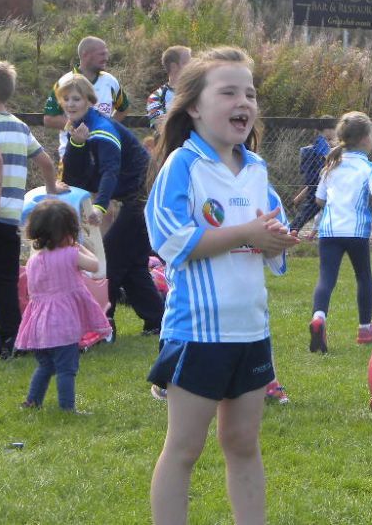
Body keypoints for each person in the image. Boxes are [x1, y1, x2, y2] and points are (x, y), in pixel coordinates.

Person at [144, 46, 299, 525]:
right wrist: (246, 234)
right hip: (197, 333)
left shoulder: (257, 170)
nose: (244, 102)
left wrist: (277, 241)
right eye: (229, 92)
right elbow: (170, 239)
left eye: (249, 93)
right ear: (193, 106)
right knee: (184, 448)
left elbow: (273, 235)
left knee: (243, 444)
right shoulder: (183, 165)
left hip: (251, 330)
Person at [0, 61, 64, 360]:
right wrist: (52, 190)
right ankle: (10, 338)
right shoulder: (20, 127)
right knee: (5, 280)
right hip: (9, 220)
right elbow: (45, 161)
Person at [55, 73, 163, 339]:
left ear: (89, 101)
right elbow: (75, 177)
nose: (70, 104)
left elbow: (110, 171)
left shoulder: (103, 129)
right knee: (134, 264)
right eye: (66, 99)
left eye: (76, 99)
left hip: (144, 196)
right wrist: (76, 145)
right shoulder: (78, 130)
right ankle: (157, 321)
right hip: (132, 198)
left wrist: (100, 207)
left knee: (112, 256)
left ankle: (103, 322)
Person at [307, 111, 372, 353]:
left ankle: (319, 317)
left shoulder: (331, 165)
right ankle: (365, 328)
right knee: (363, 277)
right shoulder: (368, 167)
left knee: (326, 278)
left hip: (329, 232)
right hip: (356, 233)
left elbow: (319, 200)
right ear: (365, 139)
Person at [16, 198, 112, 411]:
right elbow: (95, 266)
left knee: (46, 366)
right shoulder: (71, 254)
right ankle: (67, 408)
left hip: (39, 327)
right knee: (66, 369)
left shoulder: (33, 261)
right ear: (69, 230)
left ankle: (32, 402)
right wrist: (81, 247)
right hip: (63, 326)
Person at [43, 35, 130, 157]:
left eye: (106, 54)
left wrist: (107, 127)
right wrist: (78, 129)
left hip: (103, 154)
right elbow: (49, 119)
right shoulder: (64, 82)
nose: (106, 58)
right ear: (85, 55)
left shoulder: (111, 82)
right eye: (102, 54)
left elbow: (123, 109)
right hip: (71, 155)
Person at [288, 117, 336, 238]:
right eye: (334, 129)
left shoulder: (320, 142)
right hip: (318, 181)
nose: (335, 132)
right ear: (328, 129)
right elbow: (328, 157)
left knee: (311, 209)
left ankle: (291, 230)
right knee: (310, 209)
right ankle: (290, 230)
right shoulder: (322, 143)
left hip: (315, 180)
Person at [147, 45, 192, 132]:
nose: (192, 66)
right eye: (187, 63)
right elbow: (161, 128)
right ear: (174, 67)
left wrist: (170, 118)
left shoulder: (199, 91)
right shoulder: (156, 97)